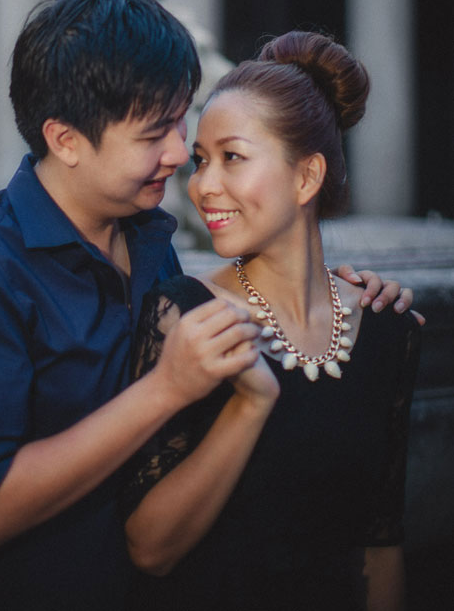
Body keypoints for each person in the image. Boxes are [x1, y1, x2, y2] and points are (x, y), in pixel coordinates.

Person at [0, 0, 412, 611]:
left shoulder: (148, 242)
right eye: (154, 134)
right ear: (65, 140)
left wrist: (342, 293)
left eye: (179, 124)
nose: (177, 158)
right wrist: (166, 388)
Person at [122, 31, 421, 611]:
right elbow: (148, 548)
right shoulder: (182, 312)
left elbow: (380, 544)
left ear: (306, 177)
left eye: (232, 158)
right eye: (202, 161)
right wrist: (247, 403)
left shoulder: (389, 329)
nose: (203, 186)